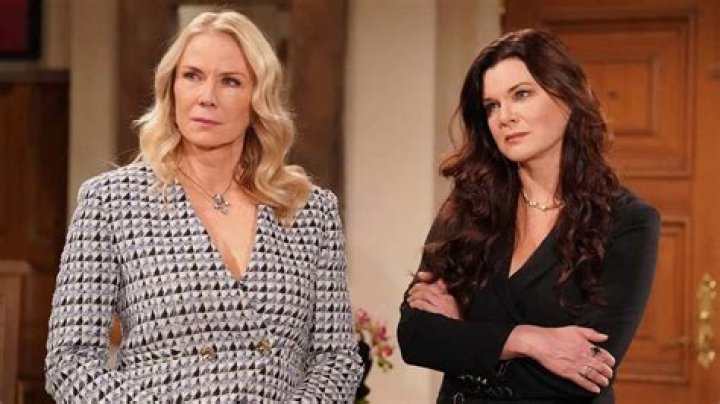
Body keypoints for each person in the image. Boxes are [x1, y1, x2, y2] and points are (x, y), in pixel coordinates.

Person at [45, 11, 361, 402]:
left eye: (230, 81)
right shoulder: (111, 202)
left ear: (257, 99)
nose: (206, 97)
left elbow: (337, 359)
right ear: (171, 88)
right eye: (192, 76)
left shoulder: (310, 210)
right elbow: (70, 361)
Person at [397, 29, 660, 404]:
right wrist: (526, 340)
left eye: (521, 94)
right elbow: (416, 337)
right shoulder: (469, 206)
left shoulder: (628, 221)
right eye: (492, 106)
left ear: (567, 97)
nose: (505, 117)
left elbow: (585, 372)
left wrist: (463, 333)